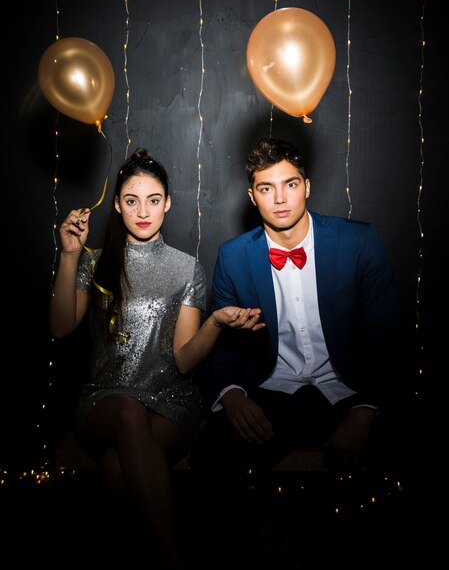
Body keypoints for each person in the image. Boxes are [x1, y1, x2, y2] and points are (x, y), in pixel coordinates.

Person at [49, 147, 263, 570]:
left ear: (168, 202)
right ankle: (174, 565)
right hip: (105, 400)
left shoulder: (186, 269)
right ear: (117, 205)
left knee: (115, 469)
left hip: (170, 403)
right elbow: (60, 327)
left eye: (153, 200)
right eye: (131, 200)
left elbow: (184, 362)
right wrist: (71, 254)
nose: (143, 211)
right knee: (128, 413)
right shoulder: (97, 262)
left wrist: (216, 322)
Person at [190, 137, 411, 483]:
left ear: (306, 187)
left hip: (349, 389)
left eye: (290, 184)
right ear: (252, 197)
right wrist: (231, 395)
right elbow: (224, 349)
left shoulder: (358, 242)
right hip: (271, 392)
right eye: (266, 188)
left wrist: (365, 410)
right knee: (209, 456)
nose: (279, 199)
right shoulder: (233, 257)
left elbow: (390, 336)